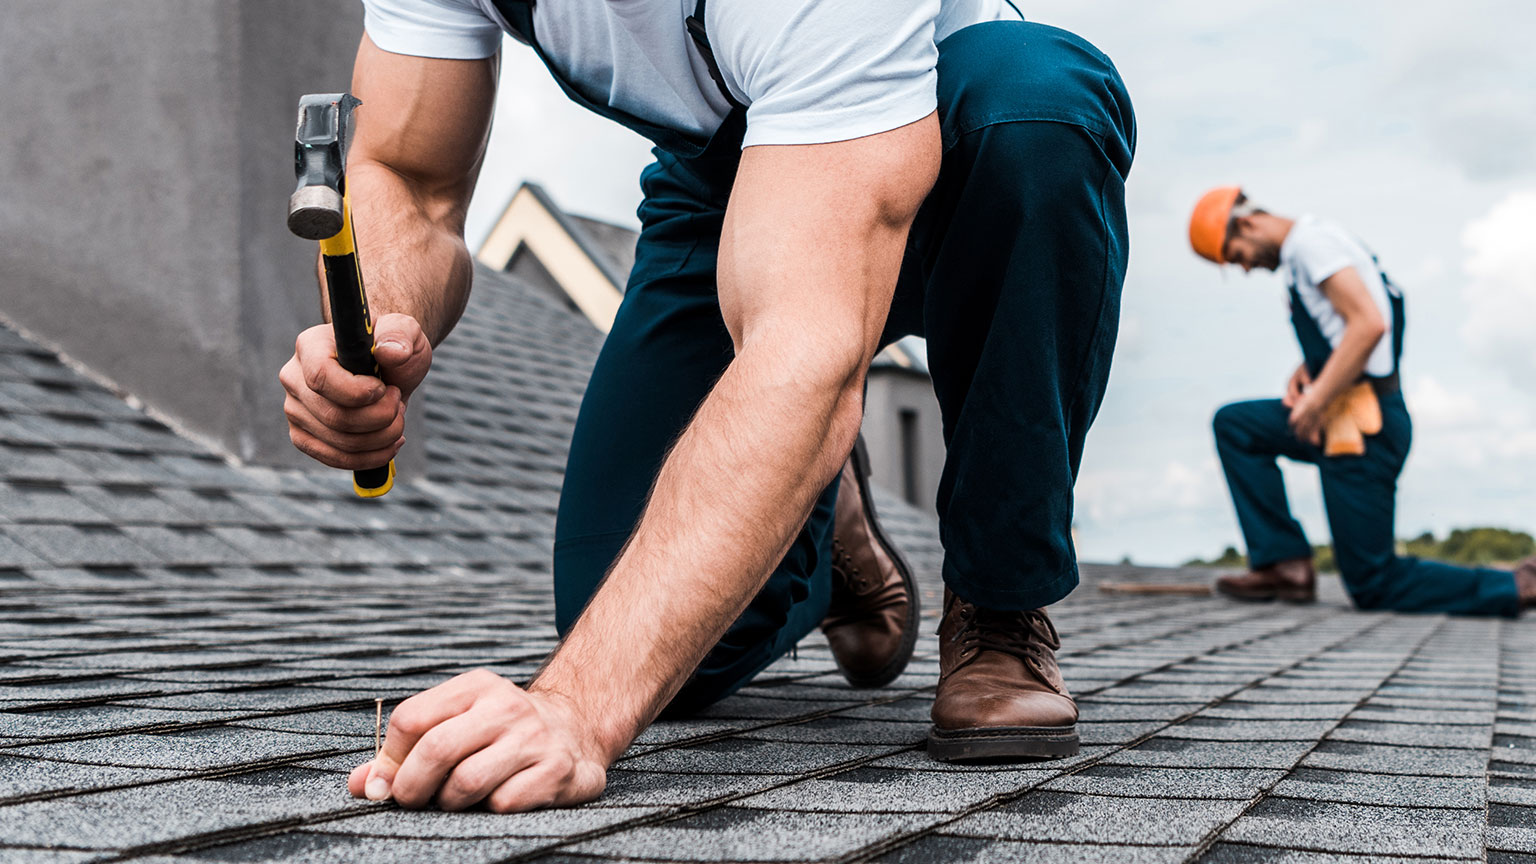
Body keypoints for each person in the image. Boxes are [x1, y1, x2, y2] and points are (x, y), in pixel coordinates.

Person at [279, 0, 1134, 811]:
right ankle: (828, 523)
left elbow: (803, 349)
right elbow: (408, 177)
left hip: (960, 135)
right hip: (722, 177)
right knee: (638, 628)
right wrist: (383, 328)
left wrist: (574, 707)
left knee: (1038, 110)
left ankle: (999, 603)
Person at [1188, 187, 1536, 616]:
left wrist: (1315, 402)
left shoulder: (1312, 246)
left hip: (1365, 429)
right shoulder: (1310, 250)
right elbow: (1359, 320)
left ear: (1246, 223)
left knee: (1374, 583)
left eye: (1234, 253)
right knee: (1237, 425)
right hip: (1341, 415)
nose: (1243, 267)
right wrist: (1310, 370)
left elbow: (1369, 325)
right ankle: (1284, 564)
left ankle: (1518, 585)